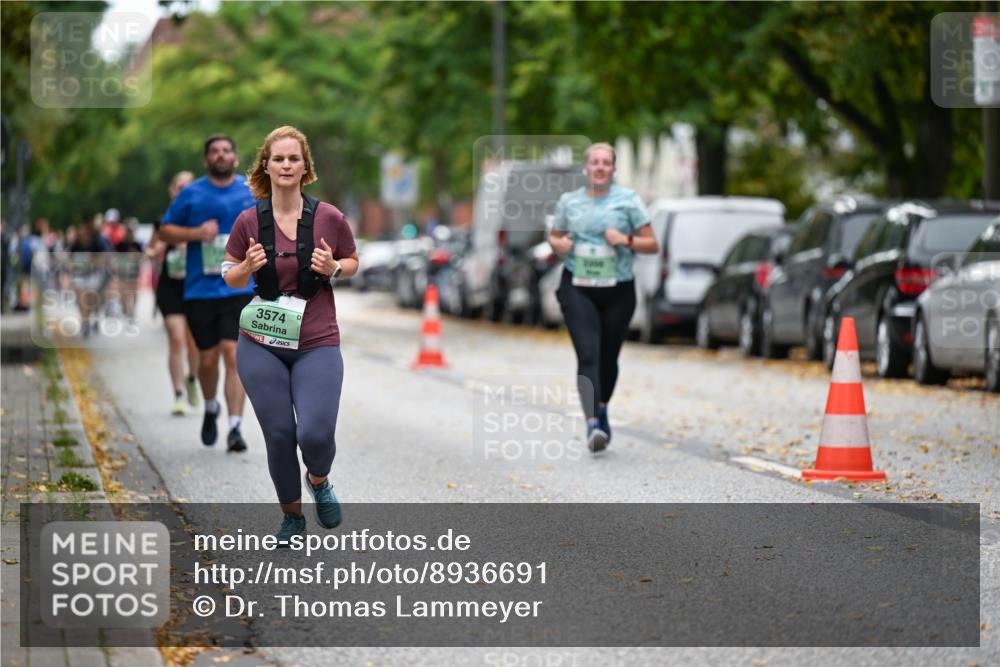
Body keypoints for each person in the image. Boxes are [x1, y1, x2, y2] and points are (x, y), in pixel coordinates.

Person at [223, 125, 358, 542]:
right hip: (261, 343)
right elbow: (228, 274)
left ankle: (318, 480)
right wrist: (246, 267)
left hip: (316, 340)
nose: (285, 165)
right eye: (278, 158)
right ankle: (292, 517)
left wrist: (334, 267)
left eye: (293, 158)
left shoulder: (329, 218)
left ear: (305, 167)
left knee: (315, 433)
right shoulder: (248, 220)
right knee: (279, 433)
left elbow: (352, 260)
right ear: (266, 164)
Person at [548, 142, 659, 453]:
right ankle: (592, 423)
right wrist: (559, 245)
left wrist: (624, 239)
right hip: (578, 287)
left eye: (606, 163)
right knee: (588, 355)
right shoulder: (569, 202)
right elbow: (555, 235)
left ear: (613, 169)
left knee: (609, 357)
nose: (599, 167)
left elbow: (652, 244)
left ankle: (603, 407)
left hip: (618, 290)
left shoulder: (629, 201)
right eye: (594, 162)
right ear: (586, 168)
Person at [158, 134, 256, 451]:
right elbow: (165, 229)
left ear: (236, 158)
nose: (221, 155)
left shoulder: (250, 191)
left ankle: (236, 427)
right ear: (206, 160)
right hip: (200, 290)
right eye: (214, 151)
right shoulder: (192, 194)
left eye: (227, 150)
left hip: (238, 286)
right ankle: (211, 406)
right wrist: (197, 233)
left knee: (233, 354)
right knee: (208, 358)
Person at [148, 171, 201, 415]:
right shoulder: (164, 221)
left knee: (195, 343)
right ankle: (178, 394)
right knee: (177, 339)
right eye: (179, 187)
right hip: (170, 286)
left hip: (195, 286)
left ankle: (192, 378)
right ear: (172, 191)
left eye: (188, 187)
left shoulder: (202, 219)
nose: (183, 191)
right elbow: (152, 248)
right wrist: (158, 248)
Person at [68, 218, 113, 337]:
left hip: (93, 275)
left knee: (89, 300)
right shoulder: (76, 243)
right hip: (79, 275)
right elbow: (70, 258)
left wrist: (93, 262)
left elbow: (105, 256)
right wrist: (73, 266)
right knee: (81, 299)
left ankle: (88, 318)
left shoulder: (98, 241)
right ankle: (85, 321)